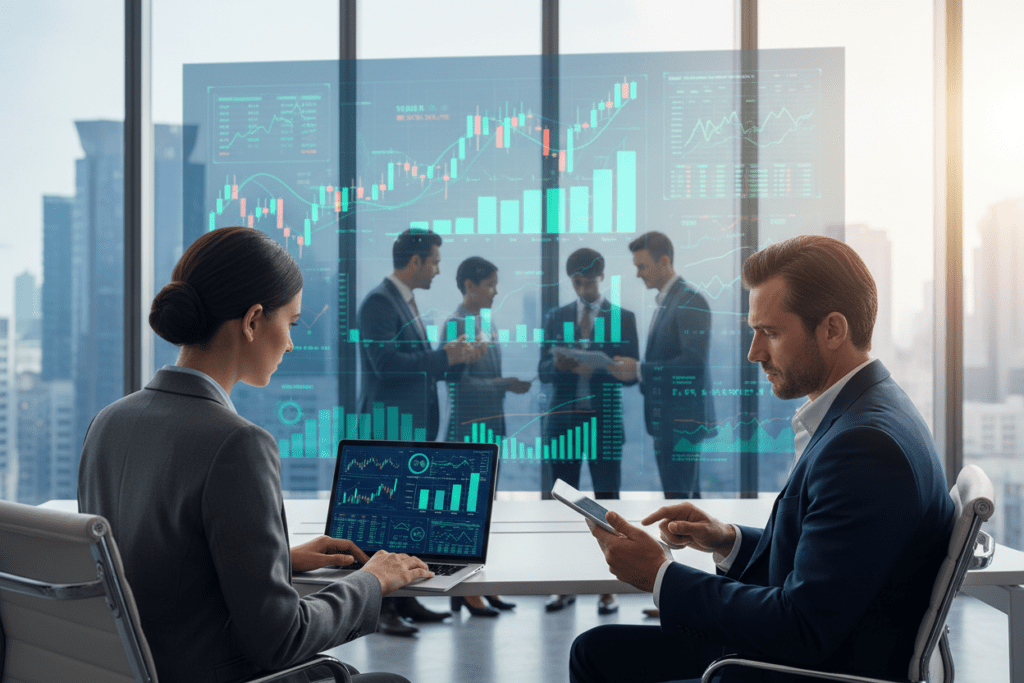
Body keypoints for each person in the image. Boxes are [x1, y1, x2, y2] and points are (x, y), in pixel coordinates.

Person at [571, 235, 956, 683]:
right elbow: (824, 560)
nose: (754, 353)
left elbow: (801, 625)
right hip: (818, 650)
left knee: (597, 657)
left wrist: (660, 576)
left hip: (806, 671)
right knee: (596, 650)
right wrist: (726, 539)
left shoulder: (865, 448)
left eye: (770, 333)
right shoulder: (868, 408)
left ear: (832, 329)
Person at [78, 227, 429, 683]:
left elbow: (156, 565)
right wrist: (372, 582)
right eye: (292, 322)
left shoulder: (107, 423)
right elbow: (280, 640)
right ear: (252, 320)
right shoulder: (237, 443)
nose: (290, 343)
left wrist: (277, 559)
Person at [357, 228, 485, 634]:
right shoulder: (380, 302)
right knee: (387, 523)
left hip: (409, 428)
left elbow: (415, 362)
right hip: (389, 429)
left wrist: (454, 359)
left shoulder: (404, 301)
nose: (438, 269)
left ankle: (406, 603)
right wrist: (443, 356)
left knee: (405, 519)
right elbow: (386, 364)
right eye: (434, 261)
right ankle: (383, 610)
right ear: (415, 262)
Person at [538, 248, 639, 616]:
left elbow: (630, 377)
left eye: (589, 281)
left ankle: (608, 589)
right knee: (562, 509)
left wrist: (596, 369)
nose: (583, 288)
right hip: (564, 425)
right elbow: (542, 372)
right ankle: (563, 586)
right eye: (577, 282)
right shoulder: (556, 317)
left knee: (606, 507)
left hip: (604, 423)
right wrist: (561, 366)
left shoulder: (623, 319)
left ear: (601, 277)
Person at [443, 256, 530, 617]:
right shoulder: (454, 325)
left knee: (483, 515)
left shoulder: (489, 323)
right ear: (469, 286)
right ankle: (464, 591)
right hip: (467, 430)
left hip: (489, 429)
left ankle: (480, 586)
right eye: (490, 284)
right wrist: (503, 384)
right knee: (465, 515)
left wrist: (504, 385)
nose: (496, 291)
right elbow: (456, 385)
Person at [609, 231, 715, 500]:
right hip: (670, 423)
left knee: (682, 502)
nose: (637, 274)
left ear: (665, 262)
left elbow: (694, 366)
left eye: (642, 266)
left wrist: (639, 370)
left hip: (681, 424)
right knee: (685, 501)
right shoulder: (671, 300)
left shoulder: (689, 300)